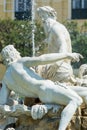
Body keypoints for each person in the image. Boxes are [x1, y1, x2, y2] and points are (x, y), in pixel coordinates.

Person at [0, 45, 84, 130]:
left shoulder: (5, 80)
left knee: (84, 92)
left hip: (46, 93)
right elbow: (42, 59)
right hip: (48, 89)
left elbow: (2, 103)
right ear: (14, 54)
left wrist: (19, 108)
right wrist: (66, 55)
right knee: (75, 100)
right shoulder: (19, 63)